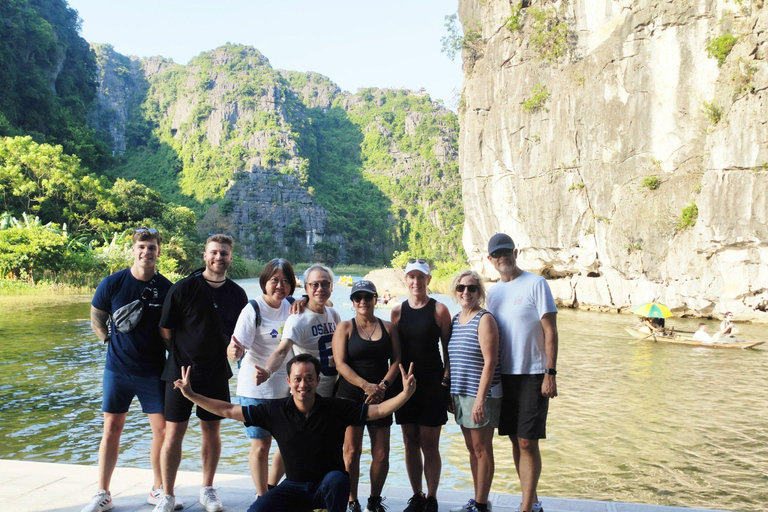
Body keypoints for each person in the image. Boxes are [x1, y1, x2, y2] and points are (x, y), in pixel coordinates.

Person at [172, 353, 418, 512]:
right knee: (256, 510)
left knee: (337, 479)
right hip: (293, 487)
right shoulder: (275, 411)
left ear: (318, 380)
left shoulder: (336, 408)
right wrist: (192, 395)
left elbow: (378, 411)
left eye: (309, 378)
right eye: (298, 379)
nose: (303, 384)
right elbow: (228, 410)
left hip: (326, 487)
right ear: (289, 382)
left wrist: (405, 395)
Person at [83, 227, 178, 512]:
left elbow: (171, 331)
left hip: (153, 371)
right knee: (111, 428)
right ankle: (103, 493)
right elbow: (97, 319)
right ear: (133, 250)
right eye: (141, 247)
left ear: (159, 251)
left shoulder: (167, 288)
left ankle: (158, 490)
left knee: (161, 431)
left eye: (151, 247)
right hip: (117, 371)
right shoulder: (112, 283)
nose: (146, 252)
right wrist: (109, 342)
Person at [153, 234, 248, 512]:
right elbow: (165, 329)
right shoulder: (183, 288)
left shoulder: (237, 294)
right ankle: (167, 495)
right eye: (214, 253)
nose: (219, 257)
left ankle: (207, 489)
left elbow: (240, 336)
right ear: (205, 256)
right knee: (173, 433)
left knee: (211, 431)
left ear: (231, 258)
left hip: (216, 373)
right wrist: (183, 354)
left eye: (224, 253)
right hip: (180, 373)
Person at [486, 233, 558, 512]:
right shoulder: (492, 294)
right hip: (504, 375)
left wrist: (550, 373)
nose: (503, 257)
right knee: (516, 439)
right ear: (490, 260)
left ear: (515, 252)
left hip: (533, 373)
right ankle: (533, 499)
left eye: (507, 252)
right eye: (497, 254)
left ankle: (527, 507)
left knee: (528, 440)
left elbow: (550, 330)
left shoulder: (536, 284)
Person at [227, 259, 299, 498]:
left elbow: (322, 303)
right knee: (261, 446)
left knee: (289, 444)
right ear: (264, 282)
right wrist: (233, 351)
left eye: (286, 281)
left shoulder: (292, 305)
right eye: (275, 280)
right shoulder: (253, 309)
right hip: (255, 389)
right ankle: (262, 497)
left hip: (286, 389)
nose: (280, 286)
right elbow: (235, 347)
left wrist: (306, 299)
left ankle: (270, 489)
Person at [332, 280, 402, 512]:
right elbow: (340, 364)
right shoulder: (345, 328)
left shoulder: (389, 327)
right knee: (351, 452)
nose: (363, 301)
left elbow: (397, 361)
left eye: (367, 297)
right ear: (352, 302)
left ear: (375, 299)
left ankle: (374, 499)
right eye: (357, 298)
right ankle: (352, 500)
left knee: (381, 454)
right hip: (350, 395)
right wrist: (365, 386)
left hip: (381, 395)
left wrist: (381, 386)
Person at [390, 258, 452, 512]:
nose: (416, 282)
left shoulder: (439, 310)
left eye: (420, 277)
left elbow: (448, 351)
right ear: (406, 280)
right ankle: (417, 495)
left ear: (428, 279)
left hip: (432, 384)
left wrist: (445, 383)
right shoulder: (397, 311)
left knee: (430, 443)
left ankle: (432, 497)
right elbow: (394, 354)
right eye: (411, 277)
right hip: (406, 386)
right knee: (410, 442)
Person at [447, 271, 502, 512]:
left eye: (471, 288)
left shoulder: (485, 319)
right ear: (455, 291)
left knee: (482, 449)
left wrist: (480, 400)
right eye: (461, 288)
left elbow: (491, 361)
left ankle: (480, 505)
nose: (465, 292)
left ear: (480, 292)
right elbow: (453, 359)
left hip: (480, 395)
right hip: (460, 393)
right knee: (472, 450)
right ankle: (479, 499)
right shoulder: (456, 318)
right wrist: (449, 391)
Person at [255, 264, 340, 397]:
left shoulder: (333, 314)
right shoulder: (298, 320)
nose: (320, 289)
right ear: (306, 288)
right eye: (314, 285)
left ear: (331, 287)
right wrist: (267, 371)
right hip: (307, 394)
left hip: (332, 390)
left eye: (325, 284)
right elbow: (282, 351)